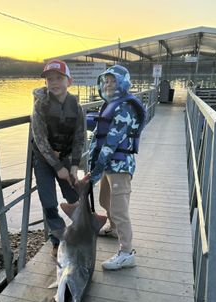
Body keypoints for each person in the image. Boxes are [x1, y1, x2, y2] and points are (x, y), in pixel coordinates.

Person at [88, 65, 146, 270]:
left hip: (119, 165)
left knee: (120, 210)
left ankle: (126, 252)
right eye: (106, 81)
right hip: (108, 165)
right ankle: (113, 229)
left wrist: (94, 173)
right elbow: (100, 127)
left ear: (123, 82)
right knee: (105, 199)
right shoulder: (110, 104)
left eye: (113, 81)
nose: (109, 84)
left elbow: (111, 142)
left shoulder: (126, 107)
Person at [31, 60, 85, 257]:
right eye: (49, 79)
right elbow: (40, 139)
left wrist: (73, 166)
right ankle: (58, 240)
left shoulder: (76, 107)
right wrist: (56, 167)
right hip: (44, 160)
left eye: (59, 78)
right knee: (49, 202)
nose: (54, 83)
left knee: (74, 195)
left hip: (65, 157)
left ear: (69, 81)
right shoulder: (40, 105)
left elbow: (79, 138)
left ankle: (80, 230)